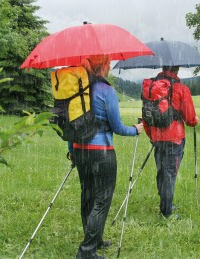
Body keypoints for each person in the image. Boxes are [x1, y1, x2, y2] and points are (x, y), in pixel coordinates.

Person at [68, 56, 143, 259]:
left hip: (79, 150)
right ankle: (87, 251)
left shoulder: (76, 89)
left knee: (88, 196)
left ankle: (95, 240)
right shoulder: (106, 91)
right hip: (101, 152)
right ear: (105, 66)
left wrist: (72, 150)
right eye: (109, 63)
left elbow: (71, 126)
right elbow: (117, 127)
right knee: (101, 201)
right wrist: (135, 130)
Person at [143, 66, 198, 218]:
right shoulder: (181, 88)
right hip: (174, 139)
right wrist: (195, 121)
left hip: (157, 137)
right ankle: (166, 212)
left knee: (162, 172)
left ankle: (164, 204)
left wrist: (152, 135)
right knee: (169, 174)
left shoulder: (152, 88)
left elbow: (147, 115)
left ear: (163, 68)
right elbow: (191, 119)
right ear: (177, 69)